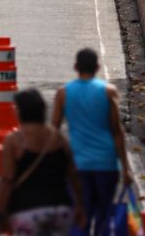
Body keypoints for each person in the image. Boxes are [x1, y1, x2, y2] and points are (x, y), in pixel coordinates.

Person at [52, 49, 133, 236]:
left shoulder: (63, 93)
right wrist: (126, 169)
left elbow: (54, 131)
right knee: (104, 217)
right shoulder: (108, 92)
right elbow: (117, 132)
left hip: (77, 166)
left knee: (80, 216)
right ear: (97, 68)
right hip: (106, 164)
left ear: (75, 67)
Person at [0, 89, 84, 235]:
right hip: (60, 211)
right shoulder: (58, 138)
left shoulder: (14, 141)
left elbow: (6, 179)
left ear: (20, 112)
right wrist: (80, 206)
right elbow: (73, 175)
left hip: (26, 211)